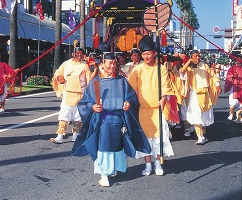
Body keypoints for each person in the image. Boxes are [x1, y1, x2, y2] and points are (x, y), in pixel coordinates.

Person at [72, 52, 151, 187]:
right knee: (104, 146)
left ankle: (113, 168)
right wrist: (92, 107)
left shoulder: (121, 81)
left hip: (118, 119)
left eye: (114, 62)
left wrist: (128, 103)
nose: (113, 65)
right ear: (102, 64)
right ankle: (104, 174)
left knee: (117, 145)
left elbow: (131, 96)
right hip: (103, 120)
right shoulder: (95, 82)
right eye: (110, 63)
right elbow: (85, 101)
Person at [128, 35, 174, 176]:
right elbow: (130, 89)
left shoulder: (161, 69)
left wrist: (163, 98)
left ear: (154, 53)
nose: (146, 56)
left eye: (149, 53)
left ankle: (158, 163)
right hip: (142, 109)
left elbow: (166, 86)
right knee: (145, 138)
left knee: (159, 137)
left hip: (157, 109)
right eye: (144, 54)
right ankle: (148, 164)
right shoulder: (137, 70)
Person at [50, 47, 97, 143]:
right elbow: (58, 73)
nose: (79, 55)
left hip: (80, 94)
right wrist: (59, 77)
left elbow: (89, 79)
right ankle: (60, 136)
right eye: (77, 53)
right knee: (64, 114)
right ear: (73, 54)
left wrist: (95, 68)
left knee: (78, 116)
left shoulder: (85, 65)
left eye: (81, 53)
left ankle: (75, 135)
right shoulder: (66, 63)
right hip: (67, 93)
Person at [180, 50, 221, 144]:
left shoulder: (204, 65)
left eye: (199, 56)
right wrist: (189, 62)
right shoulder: (188, 67)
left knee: (204, 116)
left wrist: (218, 84)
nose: (198, 58)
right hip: (194, 94)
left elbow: (213, 75)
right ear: (191, 57)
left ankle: (202, 132)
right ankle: (200, 137)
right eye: (196, 56)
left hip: (205, 94)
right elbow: (182, 72)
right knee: (196, 116)